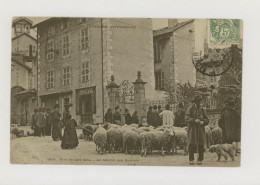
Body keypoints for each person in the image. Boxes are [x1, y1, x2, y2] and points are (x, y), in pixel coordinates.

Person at [185, 95, 209, 165]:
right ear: (195, 102)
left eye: (200, 101)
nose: (199, 102)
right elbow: (186, 117)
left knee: (201, 143)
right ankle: (191, 159)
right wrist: (194, 120)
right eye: (198, 101)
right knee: (191, 143)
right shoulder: (190, 108)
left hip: (200, 129)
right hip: (192, 129)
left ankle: (200, 159)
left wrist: (203, 122)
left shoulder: (202, 109)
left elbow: (207, 119)